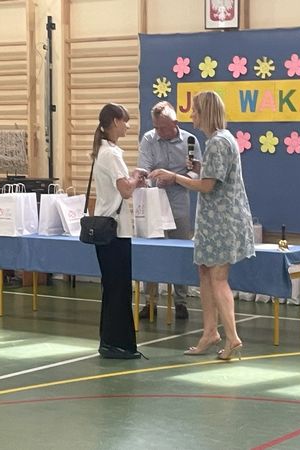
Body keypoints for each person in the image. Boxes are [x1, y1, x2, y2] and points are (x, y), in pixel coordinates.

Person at [149, 91, 255, 361]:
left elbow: (207, 186)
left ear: (205, 112)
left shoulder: (218, 142)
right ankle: (210, 332)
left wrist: (175, 177)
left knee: (218, 278)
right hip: (214, 221)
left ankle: (232, 337)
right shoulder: (219, 140)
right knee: (205, 272)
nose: (191, 115)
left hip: (222, 221)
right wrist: (199, 166)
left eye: (195, 110)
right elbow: (214, 176)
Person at [91, 103, 148, 359]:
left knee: (114, 287)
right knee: (118, 289)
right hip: (115, 231)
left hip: (109, 230)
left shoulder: (105, 151)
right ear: (115, 121)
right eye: (125, 121)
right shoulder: (111, 154)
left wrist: (133, 179)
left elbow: (120, 187)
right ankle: (117, 344)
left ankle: (111, 341)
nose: (128, 126)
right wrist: (135, 176)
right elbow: (125, 190)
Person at [137, 101, 202, 320]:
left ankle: (181, 302)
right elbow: (144, 168)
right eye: (156, 127)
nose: (159, 132)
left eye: (163, 128)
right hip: (154, 201)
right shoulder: (148, 139)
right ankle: (150, 302)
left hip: (179, 201)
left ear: (175, 123)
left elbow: (196, 174)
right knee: (151, 251)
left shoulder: (190, 141)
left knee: (180, 251)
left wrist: (175, 178)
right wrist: (150, 178)